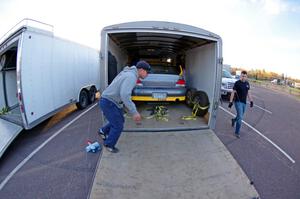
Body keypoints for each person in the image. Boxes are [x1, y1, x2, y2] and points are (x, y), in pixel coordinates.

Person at [98, 60, 151, 153]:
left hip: (111, 101)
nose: (147, 75)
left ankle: (103, 131)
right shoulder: (131, 77)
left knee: (120, 120)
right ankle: (109, 144)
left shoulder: (127, 73)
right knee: (118, 126)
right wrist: (134, 112)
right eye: (147, 72)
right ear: (141, 70)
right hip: (109, 102)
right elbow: (125, 95)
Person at [228, 70, 253, 138]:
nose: (243, 77)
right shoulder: (237, 83)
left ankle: (234, 120)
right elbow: (233, 92)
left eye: (244, 76)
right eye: (242, 76)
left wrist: (251, 101)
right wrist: (230, 102)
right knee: (241, 117)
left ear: (246, 77)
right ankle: (237, 132)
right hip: (237, 102)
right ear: (240, 76)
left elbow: (249, 93)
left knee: (240, 116)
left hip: (244, 103)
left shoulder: (247, 84)